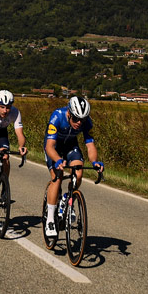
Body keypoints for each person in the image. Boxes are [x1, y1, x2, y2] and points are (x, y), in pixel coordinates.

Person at [43, 95, 104, 238]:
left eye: (82, 120)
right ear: (69, 113)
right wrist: (58, 160)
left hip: (71, 146)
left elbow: (90, 145)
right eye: (75, 119)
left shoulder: (86, 122)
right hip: (54, 147)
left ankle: (66, 198)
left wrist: (94, 161)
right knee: (57, 178)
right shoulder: (57, 117)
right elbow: (49, 146)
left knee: (78, 174)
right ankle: (50, 220)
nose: (79, 123)